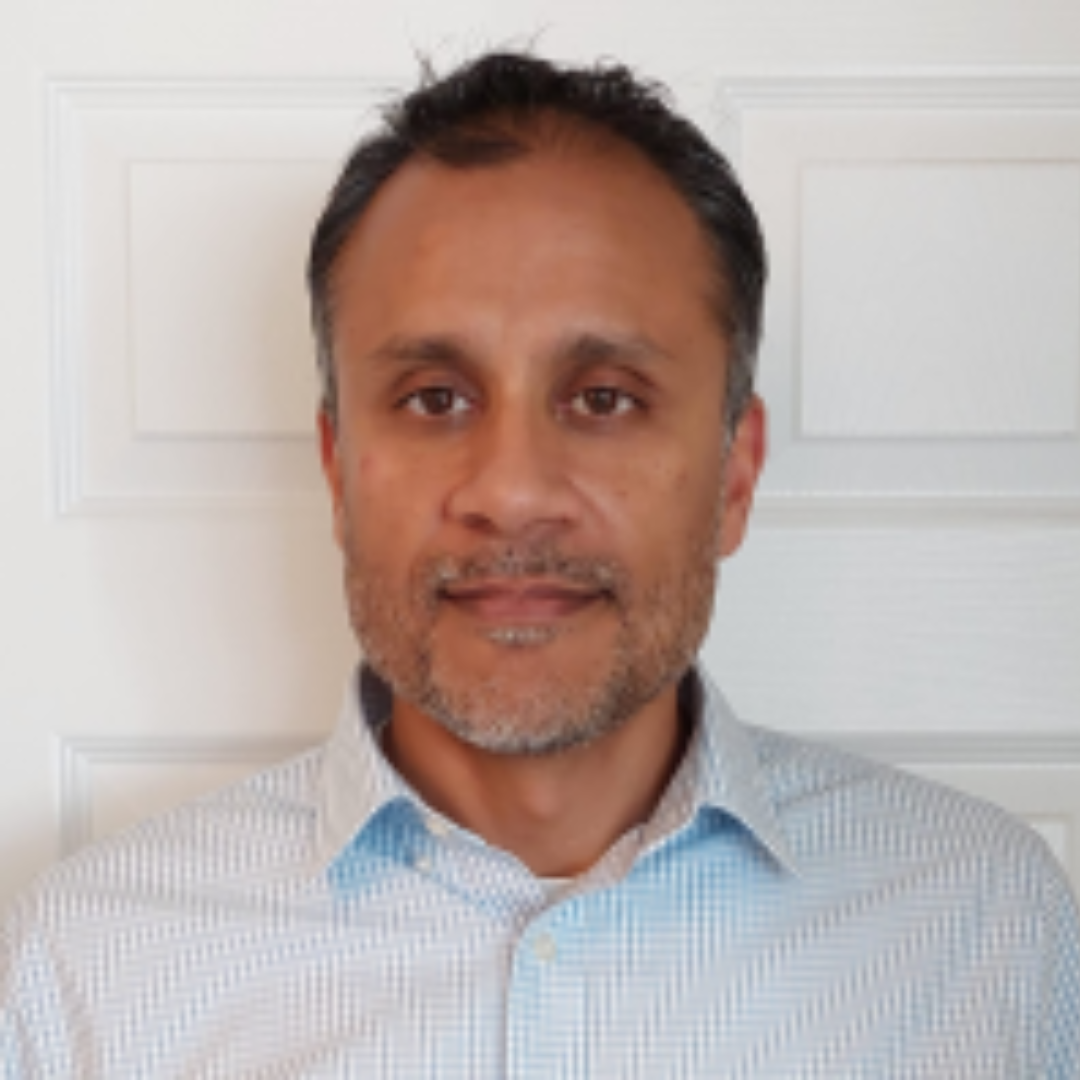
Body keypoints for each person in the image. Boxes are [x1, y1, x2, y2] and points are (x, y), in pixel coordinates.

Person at [3, 50, 1078, 1078]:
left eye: (605, 398)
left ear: (735, 473)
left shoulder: (988, 927)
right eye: (435, 398)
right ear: (337, 471)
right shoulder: (91, 972)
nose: (512, 491)